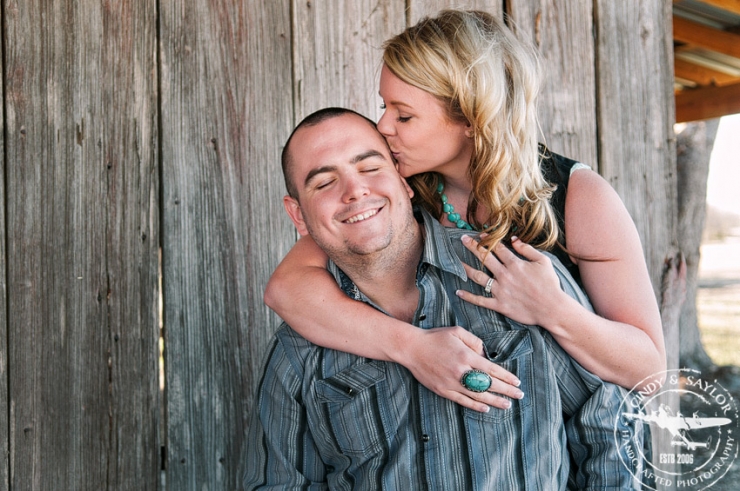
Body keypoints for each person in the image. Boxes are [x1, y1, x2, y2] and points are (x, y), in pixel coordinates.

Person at [264, 9, 665, 413]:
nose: (383, 127)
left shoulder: (577, 196)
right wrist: (413, 348)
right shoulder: (403, 190)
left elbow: (650, 371)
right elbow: (287, 290)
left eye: (403, 115)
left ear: (472, 119)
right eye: (383, 106)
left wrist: (554, 309)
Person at [244, 108, 637, 489]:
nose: (355, 191)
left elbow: (607, 417)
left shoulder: (511, 277)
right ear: (297, 214)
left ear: (405, 180)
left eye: (370, 167)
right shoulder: (297, 351)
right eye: (324, 182)